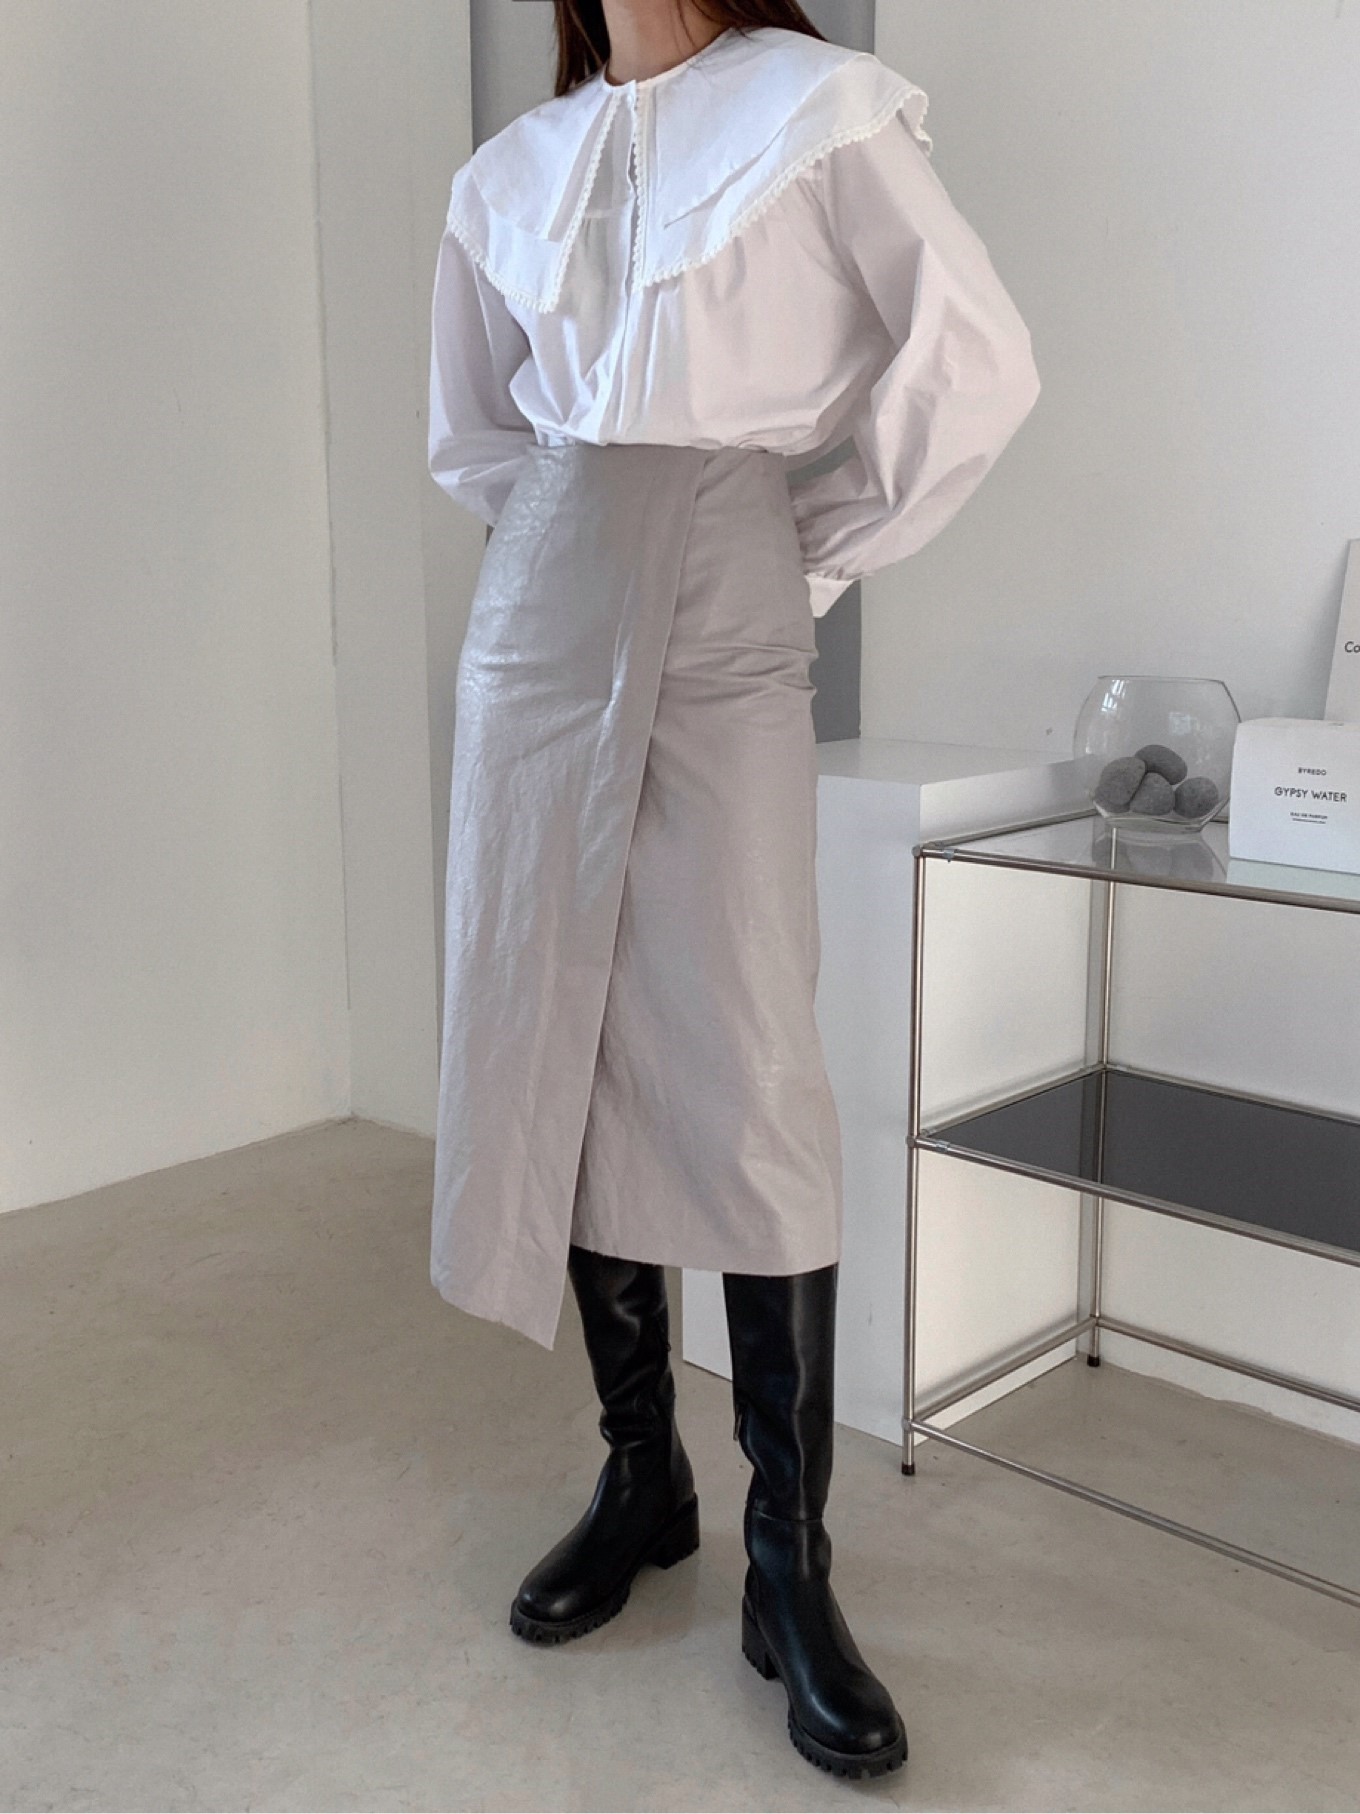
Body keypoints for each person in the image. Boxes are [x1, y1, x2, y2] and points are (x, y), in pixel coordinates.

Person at [426, 0, 1039, 1780]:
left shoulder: (819, 111)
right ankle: (646, 1474)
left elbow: (976, 357)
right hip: (544, 603)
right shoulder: (510, 172)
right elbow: (475, 434)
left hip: (729, 581)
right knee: (565, 1032)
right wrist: (586, 541)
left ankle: (792, 1558)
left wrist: (797, 540)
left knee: (754, 1056)